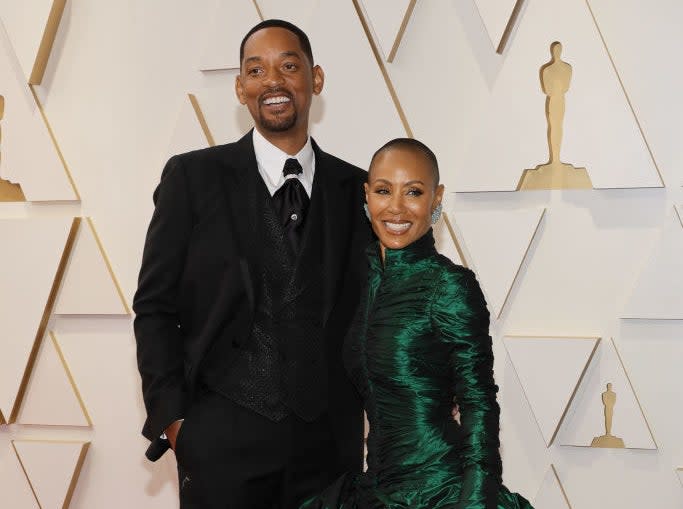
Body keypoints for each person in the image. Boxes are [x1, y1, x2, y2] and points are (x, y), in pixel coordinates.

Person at [133, 19, 371, 508]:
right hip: (221, 443)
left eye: (288, 66)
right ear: (241, 88)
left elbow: (382, 312)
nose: (273, 81)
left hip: (330, 451)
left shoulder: (359, 190)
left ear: (316, 79)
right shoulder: (192, 178)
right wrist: (176, 424)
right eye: (256, 70)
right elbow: (155, 307)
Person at [302, 138, 534, 508]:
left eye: (413, 192)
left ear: (436, 198)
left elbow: (479, 402)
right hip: (375, 488)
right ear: (367, 195)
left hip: (440, 490)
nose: (395, 208)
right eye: (382, 191)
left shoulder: (450, 286)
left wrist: (476, 500)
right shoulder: (361, 284)